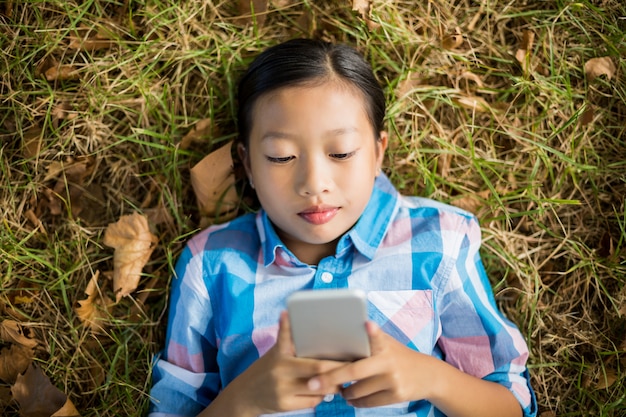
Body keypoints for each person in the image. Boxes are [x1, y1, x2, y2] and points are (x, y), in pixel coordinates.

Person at [148, 38, 537, 417]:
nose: (314, 183)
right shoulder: (210, 264)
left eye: (341, 153)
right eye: (281, 157)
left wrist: (432, 378)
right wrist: (244, 400)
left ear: (378, 151)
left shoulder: (440, 241)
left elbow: (512, 403)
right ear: (248, 164)